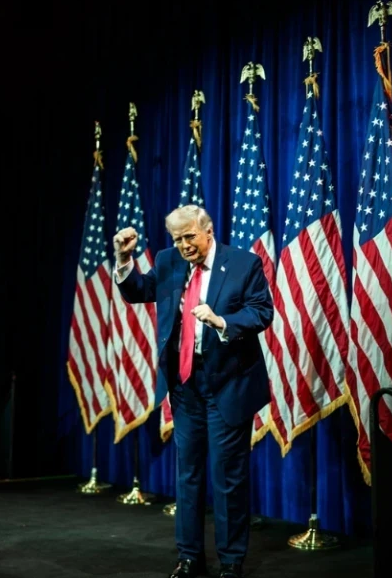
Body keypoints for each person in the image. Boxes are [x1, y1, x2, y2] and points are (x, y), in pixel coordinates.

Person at [113, 204, 274, 578]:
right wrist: (123, 259)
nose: (184, 245)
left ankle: (230, 561)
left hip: (228, 383)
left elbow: (261, 311)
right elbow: (140, 291)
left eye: (189, 237)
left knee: (227, 476)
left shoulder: (243, 264)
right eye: (177, 239)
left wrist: (221, 321)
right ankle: (189, 557)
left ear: (208, 231)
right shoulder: (168, 261)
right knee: (188, 475)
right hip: (185, 385)